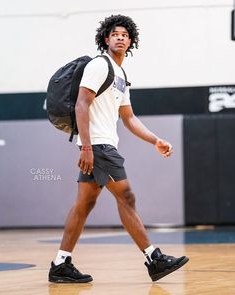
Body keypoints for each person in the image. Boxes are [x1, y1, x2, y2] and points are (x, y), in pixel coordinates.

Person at [48, 14, 189, 284]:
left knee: (84, 204)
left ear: (131, 41)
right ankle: (153, 258)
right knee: (127, 197)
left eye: (125, 34)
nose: (120, 37)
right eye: (115, 34)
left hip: (102, 144)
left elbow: (129, 118)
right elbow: (81, 105)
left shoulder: (121, 75)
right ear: (106, 39)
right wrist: (86, 147)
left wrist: (155, 140)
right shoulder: (99, 65)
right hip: (98, 145)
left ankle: (60, 264)